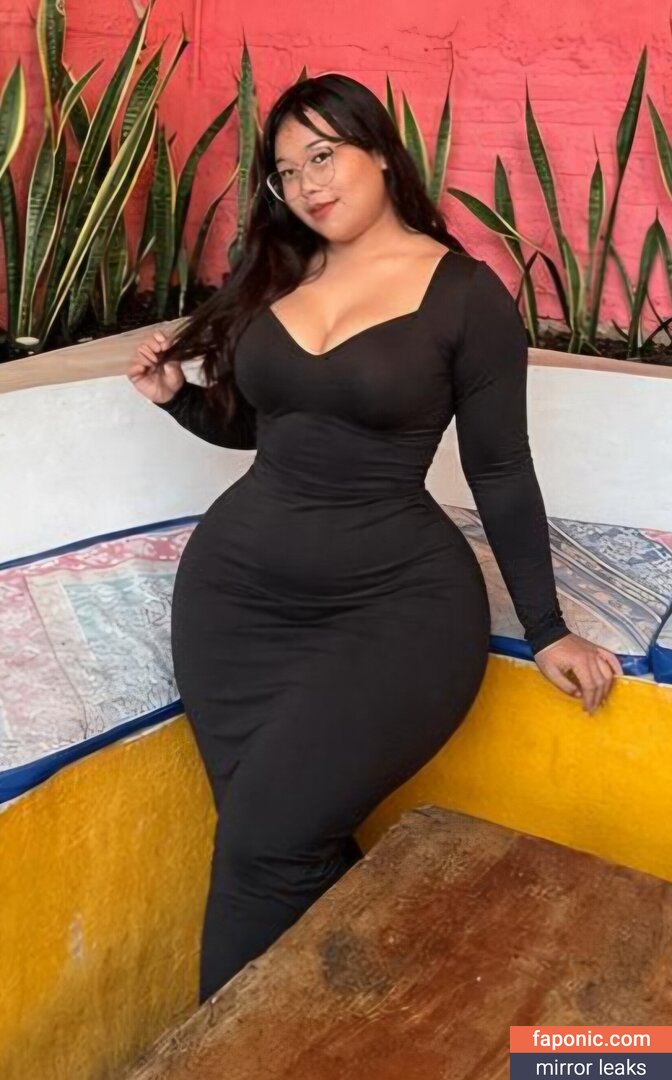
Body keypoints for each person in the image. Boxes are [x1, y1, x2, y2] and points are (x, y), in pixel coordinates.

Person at [127, 73, 622, 1004]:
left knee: (263, 847)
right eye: (285, 172)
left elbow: (501, 469)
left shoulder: (466, 296)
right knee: (282, 844)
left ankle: (218, 1062)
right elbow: (269, 425)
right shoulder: (280, 272)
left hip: (391, 614)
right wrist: (179, 401)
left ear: (381, 152)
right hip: (233, 608)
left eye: (323, 155)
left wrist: (547, 626)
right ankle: (408, 1021)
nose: (306, 184)